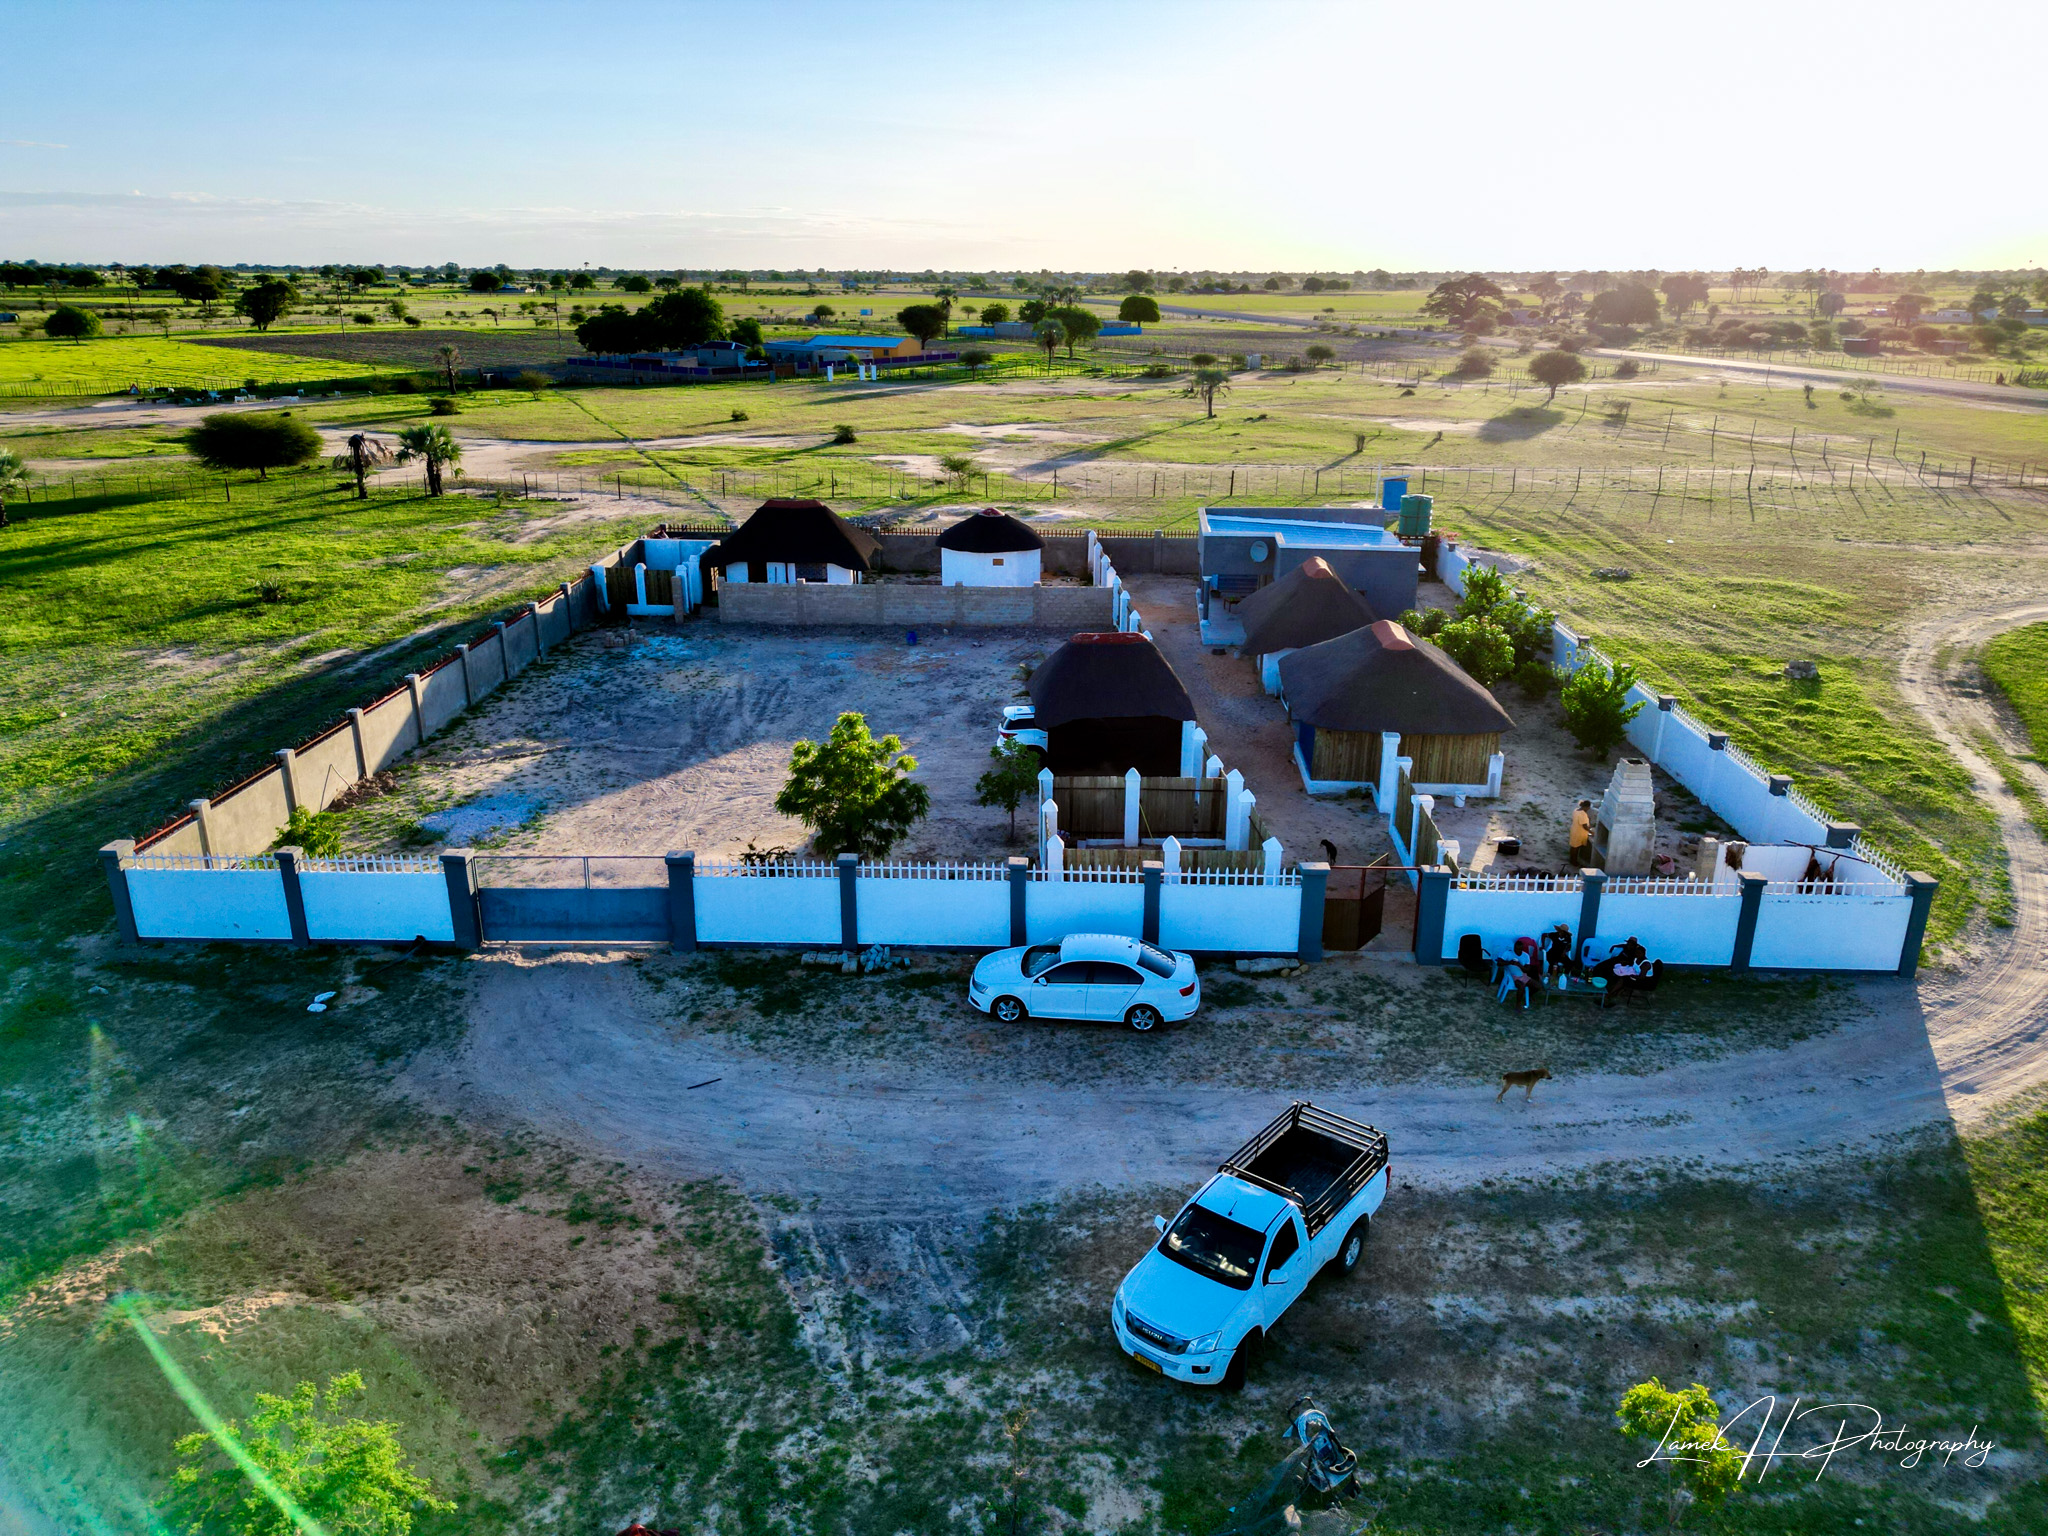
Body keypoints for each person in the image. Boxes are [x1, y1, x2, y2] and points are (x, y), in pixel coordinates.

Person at [1569, 799, 1594, 868]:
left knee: (1573, 847)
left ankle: (1571, 859)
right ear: (1586, 807)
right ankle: (1574, 862)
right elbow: (1584, 826)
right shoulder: (1582, 814)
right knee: (1576, 848)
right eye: (1588, 808)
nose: (1589, 809)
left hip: (1574, 830)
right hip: (1579, 833)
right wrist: (1591, 832)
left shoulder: (1576, 810)